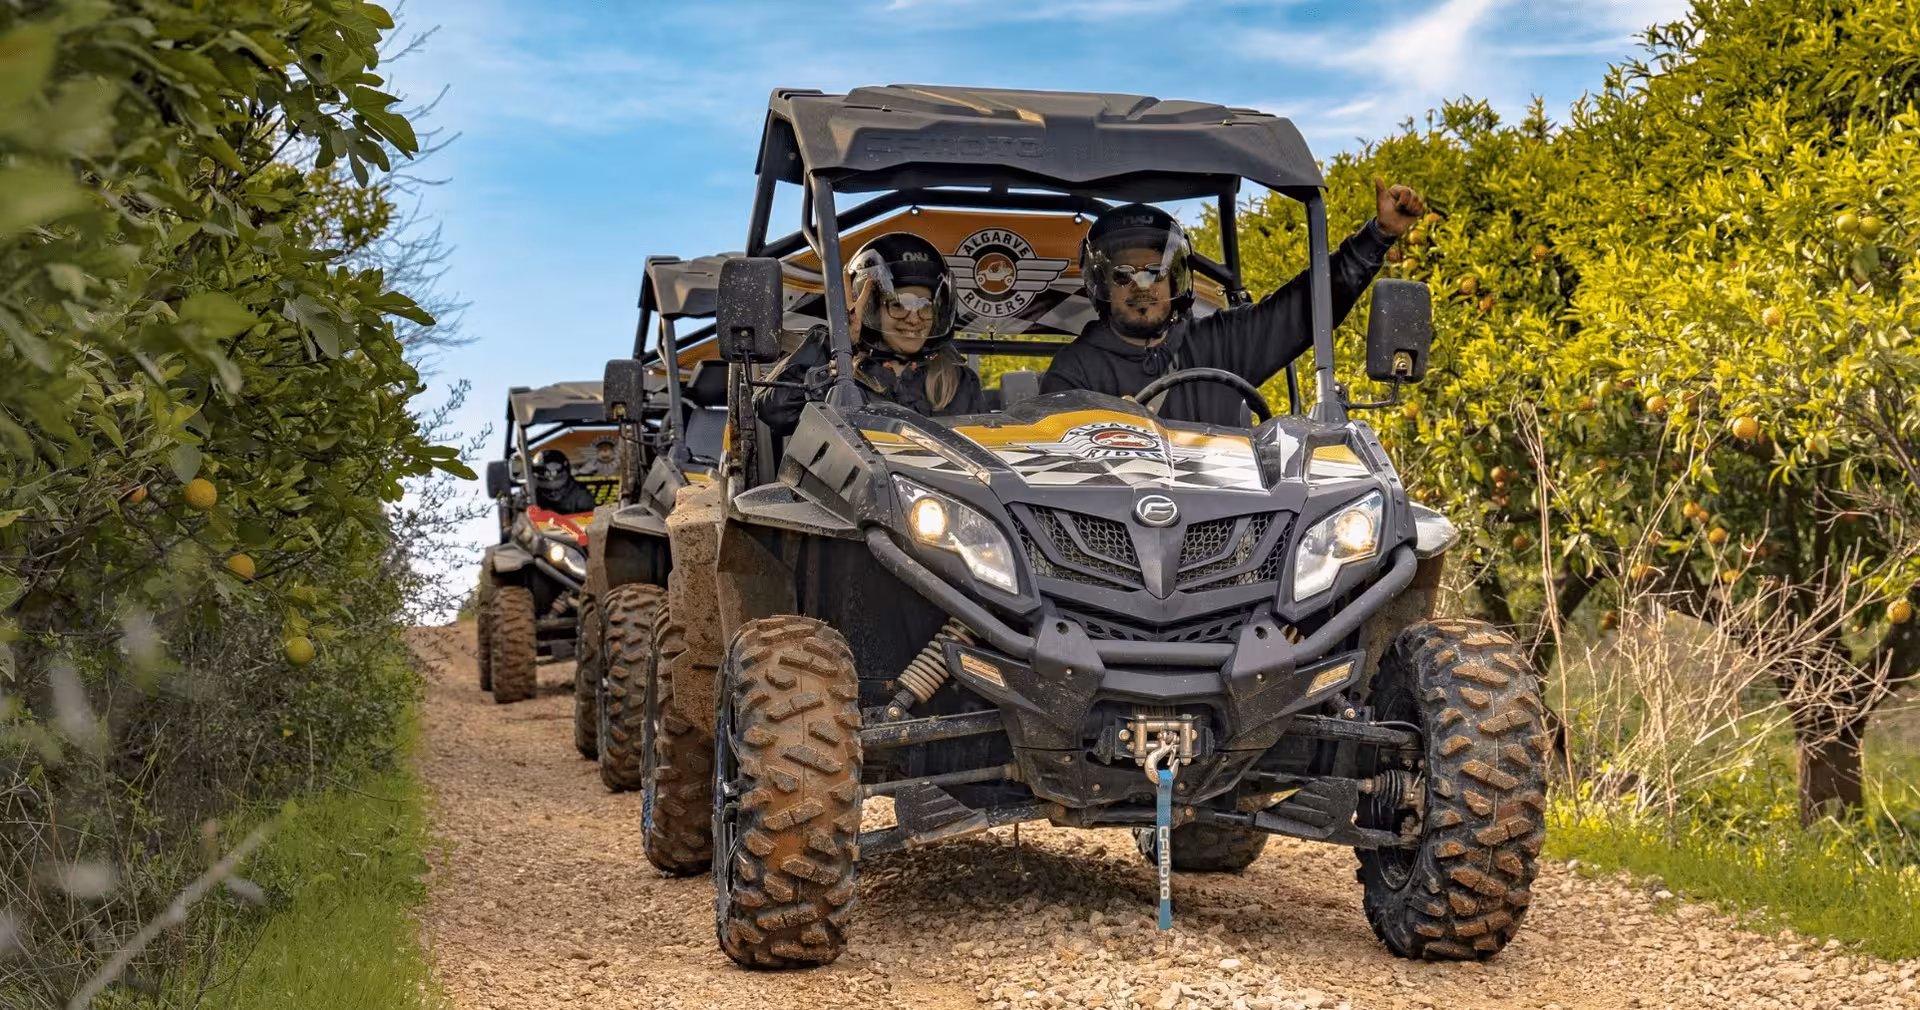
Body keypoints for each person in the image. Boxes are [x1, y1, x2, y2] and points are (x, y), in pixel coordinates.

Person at [1041, 178, 1426, 427]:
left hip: (1237, 531)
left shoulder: (1222, 341)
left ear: (1176, 276)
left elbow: (1304, 308)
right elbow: (1053, 458)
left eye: (1155, 270)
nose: (1142, 284)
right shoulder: (1074, 372)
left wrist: (1378, 236)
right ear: (1101, 285)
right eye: (1123, 273)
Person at [755, 232, 986, 437]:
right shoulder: (835, 376)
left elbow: (982, 449)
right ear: (870, 309)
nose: (914, 318)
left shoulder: (958, 382)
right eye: (898, 304)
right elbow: (775, 410)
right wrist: (835, 339)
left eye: (925, 305)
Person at [530, 448, 599, 514]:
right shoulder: (530, 495)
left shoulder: (582, 496)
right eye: (546, 490)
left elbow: (591, 522)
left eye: (558, 489)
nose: (553, 493)